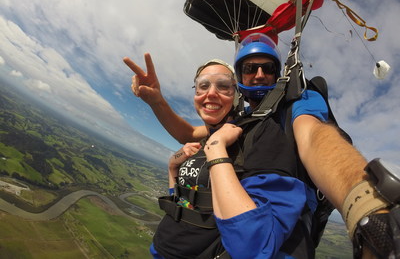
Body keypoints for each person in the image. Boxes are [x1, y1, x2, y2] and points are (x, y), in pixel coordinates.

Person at [123, 34, 392, 258]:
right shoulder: (237, 123)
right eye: (250, 69)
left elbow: (314, 136)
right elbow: (189, 133)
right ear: (241, 75)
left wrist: (365, 203)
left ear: (278, 72)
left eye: (267, 68)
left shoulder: (296, 103)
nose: (259, 75)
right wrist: (157, 103)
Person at [149, 58, 311, 259]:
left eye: (223, 85)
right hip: (161, 249)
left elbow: (255, 245)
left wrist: (216, 149)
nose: (211, 92)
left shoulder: (255, 134)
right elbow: (183, 201)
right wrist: (173, 170)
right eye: (203, 85)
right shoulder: (203, 138)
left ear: (236, 95)